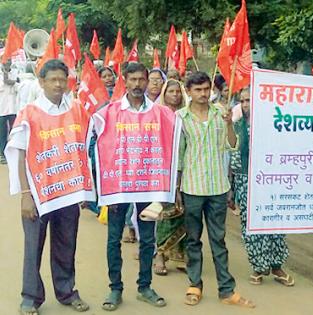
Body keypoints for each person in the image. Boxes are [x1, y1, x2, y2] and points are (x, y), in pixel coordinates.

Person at [5, 59, 92, 315]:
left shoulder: (76, 109)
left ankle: (67, 292)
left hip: (67, 193)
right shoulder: (29, 113)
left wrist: (85, 190)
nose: (58, 84)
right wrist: (25, 195)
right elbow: (19, 154)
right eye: (52, 79)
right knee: (34, 247)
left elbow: (84, 146)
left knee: (67, 245)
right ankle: (30, 297)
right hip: (39, 194)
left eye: (62, 79)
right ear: (41, 82)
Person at [177, 71, 255, 308]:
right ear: (188, 91)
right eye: (197, 90)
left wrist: (230, 124)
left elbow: (232, 146)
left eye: (205, 89)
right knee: (192, 239)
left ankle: (226, 290)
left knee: (218, 239)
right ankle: (195, 284)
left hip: (218, 187)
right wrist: (177, 189)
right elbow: (178, 156)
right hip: (191, 187)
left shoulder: (222, 113)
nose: (202, 94)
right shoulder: (180, 118)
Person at [93, 63, 167, 311]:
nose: (137, 84)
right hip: (119, 187)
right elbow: (95, 143)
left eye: (141, 80)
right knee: (114, 238)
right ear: (125, 80)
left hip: (148, 186)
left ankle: (145, 286)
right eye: (132, 79)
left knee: (148, 239)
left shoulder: (160, 113)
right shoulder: (109, 112)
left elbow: (172, 141)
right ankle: (115, 288)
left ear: (147, 82)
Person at [231, 87, 294, 286]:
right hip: (245, 180)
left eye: (249, 100)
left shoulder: (274, 124)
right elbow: (232, 151)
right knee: (251, 224)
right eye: (242, 101)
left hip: (271, 180)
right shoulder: (236, 124)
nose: (246, 104)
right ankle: (258, 267)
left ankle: (277, 267)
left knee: (274, 224)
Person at [154, 79, 187, 275]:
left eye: (178, 92)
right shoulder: (157, 115)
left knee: (184, 212)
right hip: (163, 170)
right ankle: (160, 255)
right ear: (164, 94)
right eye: (171, 91)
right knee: (165, 213)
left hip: (185, 168)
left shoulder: (187, 115)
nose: (175, 95)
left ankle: (179, 254)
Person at [0, 59, 18, 164]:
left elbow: (17, 85)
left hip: (13, 108)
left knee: (13, 131)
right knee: (2, 133)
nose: (7, 63)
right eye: (5, 62)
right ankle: (2, 153)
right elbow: (6, 82)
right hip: (2, 109)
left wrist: (12, 81)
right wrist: (6, 77)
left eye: (8, 61)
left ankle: (12, 153)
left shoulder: (15, 72)